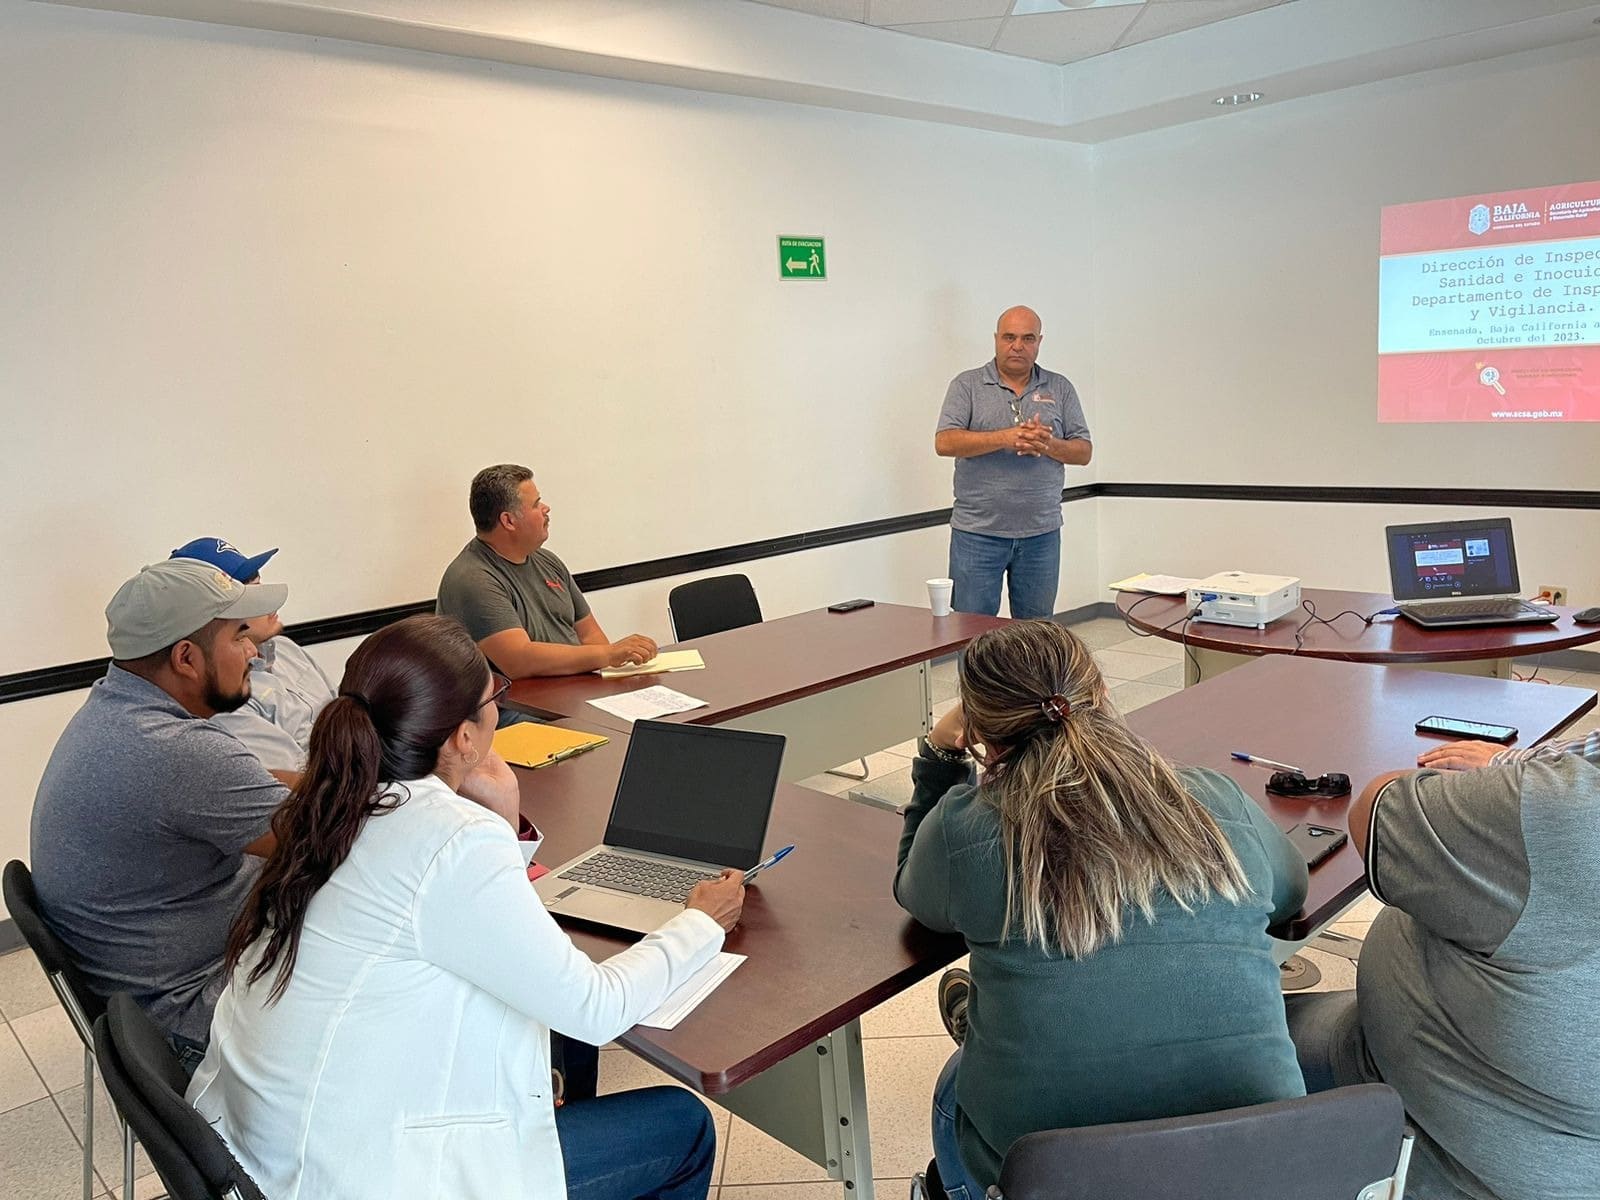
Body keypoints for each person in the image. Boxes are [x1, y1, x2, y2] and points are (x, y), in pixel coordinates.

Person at [189, 614, 744, 1200]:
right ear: (462, 737)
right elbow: (596, 1008)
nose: (498, 712)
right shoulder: (446, 837)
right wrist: (700, 923)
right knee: (683, 1128)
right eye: (494, 698)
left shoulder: (339, 804)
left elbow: (478, 931)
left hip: (269, 1148)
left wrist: (501, 814)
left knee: (552, 1057)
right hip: (358, 1172)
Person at [895, 620, 1307, 1200]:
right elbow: (1291, 892)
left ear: (981, 735)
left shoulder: (965, 826)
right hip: (1253, 1162)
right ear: (1105, 697)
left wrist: (940, 757)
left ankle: (980, 1025)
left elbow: (916, 896)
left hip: (1053, 1173)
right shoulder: (1214, 795)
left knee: (952, 1087)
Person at [1284, 756, 1600, 1199]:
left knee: (1211, 1049)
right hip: (1476, 1089)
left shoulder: (1566, 813)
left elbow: (1375, 810)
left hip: (1424, 1138)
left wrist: (1506, 777)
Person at [30, 559, 292, 1063]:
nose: (254, 652)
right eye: (239, 636)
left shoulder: (120, 709)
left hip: (153, 993)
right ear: (187, 658)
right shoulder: (175, 750)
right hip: (195, 1011)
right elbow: (332, 844)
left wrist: (348, 776)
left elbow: (255, 786)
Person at [934, 306, 1091, 619]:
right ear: (996, 339)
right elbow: (944, 442)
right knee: (972, 634)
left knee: (1037, 636)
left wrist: (1048, 444)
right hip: (977, 534)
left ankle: (1031, 673)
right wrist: (1005, 438)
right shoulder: (967, 385)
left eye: (1027, 338)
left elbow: (1083, 452)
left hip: (1041, 534)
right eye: (1009, 337)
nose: (1017, 345)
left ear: (1039, 342)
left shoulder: (1059, 387)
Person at [437, 464, 659, 678]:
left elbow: (590, 635)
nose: (546, 509)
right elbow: (519, 660)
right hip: (521, 708)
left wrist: (609, 663)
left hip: (575, 693)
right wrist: (609, 654)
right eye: (536, 504)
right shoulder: (472, 578)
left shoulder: (548, 561)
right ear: (508, 521)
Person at [171, 536, 335, 772]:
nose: (271, 603)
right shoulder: (224, 695)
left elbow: (347, 714)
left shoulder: (285, 648)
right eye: (252, 593)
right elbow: (296, 783)